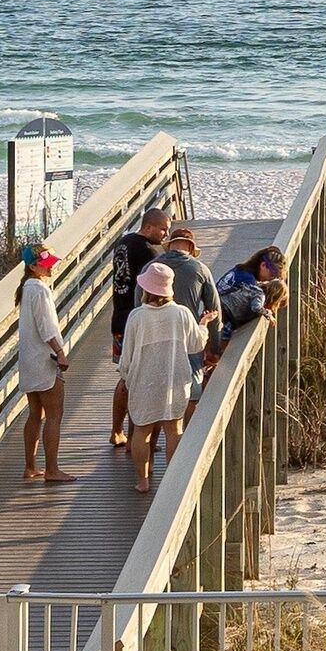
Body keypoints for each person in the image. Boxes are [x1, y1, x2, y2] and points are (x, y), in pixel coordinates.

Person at [112, 260, 203, 489]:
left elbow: (127, 355)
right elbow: (196, 345)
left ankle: (143, 481)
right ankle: (171, 483)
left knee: (142, 430)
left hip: (144, 381)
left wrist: (124, 376)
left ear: (146, 289)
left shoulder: (136, 316)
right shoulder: (181, 313)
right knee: (173, 429)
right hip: (175, 379)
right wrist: (203, 325)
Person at [13, 245, 71, 483]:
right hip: (44, 359)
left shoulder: (27, 288)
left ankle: (30, 466)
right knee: (54, 415)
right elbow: (46, 326)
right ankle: (52, 469)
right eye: (46, 263)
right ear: (33, 266)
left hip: (28, 359)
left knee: (35, 413)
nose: (51, 266)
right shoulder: (39, 290)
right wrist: (60, 352)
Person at [204, 243, 287, 373]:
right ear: (263, 265)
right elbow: (254, 307)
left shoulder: (241, 270)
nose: (273, 279)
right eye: (274, 275)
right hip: (221, 318)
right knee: (216, 355)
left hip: (213, 311)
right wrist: (267, 313)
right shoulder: (250, 282)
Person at [108, 205, 170, 357]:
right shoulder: (148, 252)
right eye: (163, 229)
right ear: (148, 227)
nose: (166, 235)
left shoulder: (123, 242)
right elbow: (151, 290)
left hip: (118, 320)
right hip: (138, 322)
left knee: (124, 372)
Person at [162, 223, 222, 334]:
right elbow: (213, 308)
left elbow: (138, 306)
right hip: (188, 337)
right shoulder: (200, 269)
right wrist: (215, 346)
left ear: (169, 246)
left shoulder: (149, 268)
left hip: (154, 340)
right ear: (191, 247)